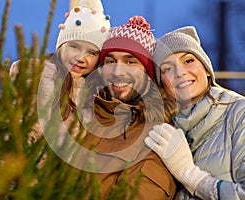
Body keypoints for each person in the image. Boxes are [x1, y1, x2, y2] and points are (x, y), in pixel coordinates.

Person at [144, 26, 245, 199]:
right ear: (162, 84)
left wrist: (191, 176)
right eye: (167, 69)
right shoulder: (168, 131)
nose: (180, 73)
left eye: (188, 61)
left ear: (207, 69)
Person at [68, 16, 176, 200]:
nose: (118, 72)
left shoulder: (156, 134)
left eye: (130, 62)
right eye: (110, 61)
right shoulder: (83, 111)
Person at [9, 0, 111, 146]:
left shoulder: (95, 92)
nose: (80, 58)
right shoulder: (39, 78)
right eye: (74, 47)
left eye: (91, 52)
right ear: (61, 46)